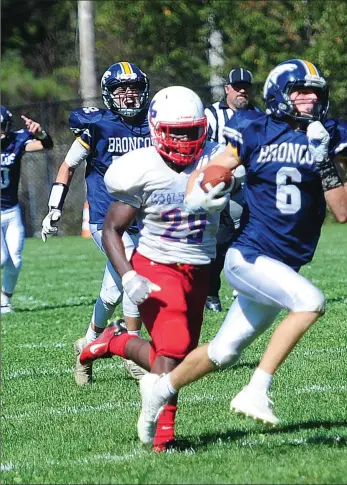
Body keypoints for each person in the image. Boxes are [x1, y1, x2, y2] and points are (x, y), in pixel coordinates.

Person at [86, 57, 347, 436]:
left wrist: (324, 159)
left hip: (276, 265)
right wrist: (207, 189)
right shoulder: (253, 130)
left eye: (315, 94)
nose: (309, 101)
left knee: (223, 353)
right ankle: (255, 390)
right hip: (248, 255)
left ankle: (159, 389)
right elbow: (210, 173)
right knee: (310, 301)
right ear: (280, 95)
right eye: (300, 93)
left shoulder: (328, 134)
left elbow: (343, 211)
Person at [78, 86, 230, 451]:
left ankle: (113, 342)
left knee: (178, 354)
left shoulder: (215, 158)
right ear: (156, 128)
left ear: (203, 130)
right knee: (175, 349)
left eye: (189, 131)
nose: (182, 140)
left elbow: (245, 179)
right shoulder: (141, 166)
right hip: (156, 264)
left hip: (198, 267)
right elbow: (111, 228)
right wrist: (128, 275)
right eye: (174, 131)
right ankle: (163, 440)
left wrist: (227, 183)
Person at [41, 62, 151, 384]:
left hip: (142, 219)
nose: (128, 95)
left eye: (133, 89)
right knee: (133, 271)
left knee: (111, 292)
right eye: (121, 89)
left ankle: (88, 345)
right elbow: (67, 166)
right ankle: (133, 350)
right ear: (108, 93)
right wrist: (54, 208)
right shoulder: (97, 126)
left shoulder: (152, 126)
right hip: (108, 221)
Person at [204, 68, 258, 312]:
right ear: (227, 88)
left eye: (246, 86)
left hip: (248, 186)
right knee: (218, 242)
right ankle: (211, 292)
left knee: (247, 240)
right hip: (218, 185)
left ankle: (243, 290)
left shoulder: (258, 116)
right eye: (237, 86)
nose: (242, 91)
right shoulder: (210, 115)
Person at [1, 106, 54, 314]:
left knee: (15, 258)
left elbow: (46, 145)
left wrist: (39, 132)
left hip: (11, 210)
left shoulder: (16, 140)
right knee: (2, 258)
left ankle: (5, 300)